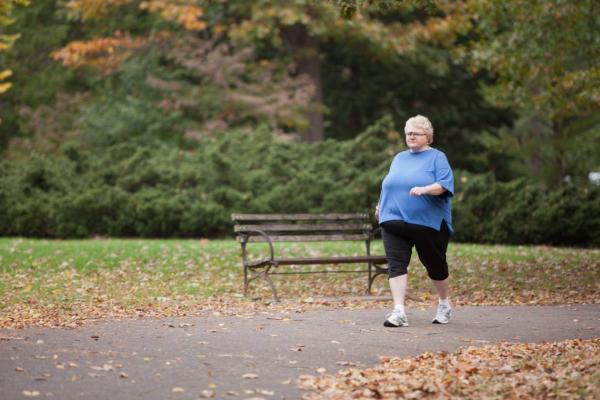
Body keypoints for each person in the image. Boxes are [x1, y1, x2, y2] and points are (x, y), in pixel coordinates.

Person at [375, 115, 454, 327]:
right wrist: (380, 205)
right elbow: (390, 184)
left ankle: (444, 303)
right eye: (408, 132)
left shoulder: (437, 157)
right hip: (393, 220)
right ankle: (398, 311)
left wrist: (424, 189)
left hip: (428, 223)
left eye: (415, 133)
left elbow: (444, 185)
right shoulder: (399, 158)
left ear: (427, 136)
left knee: (435, 265)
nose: (410, 136)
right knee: (396, 264)